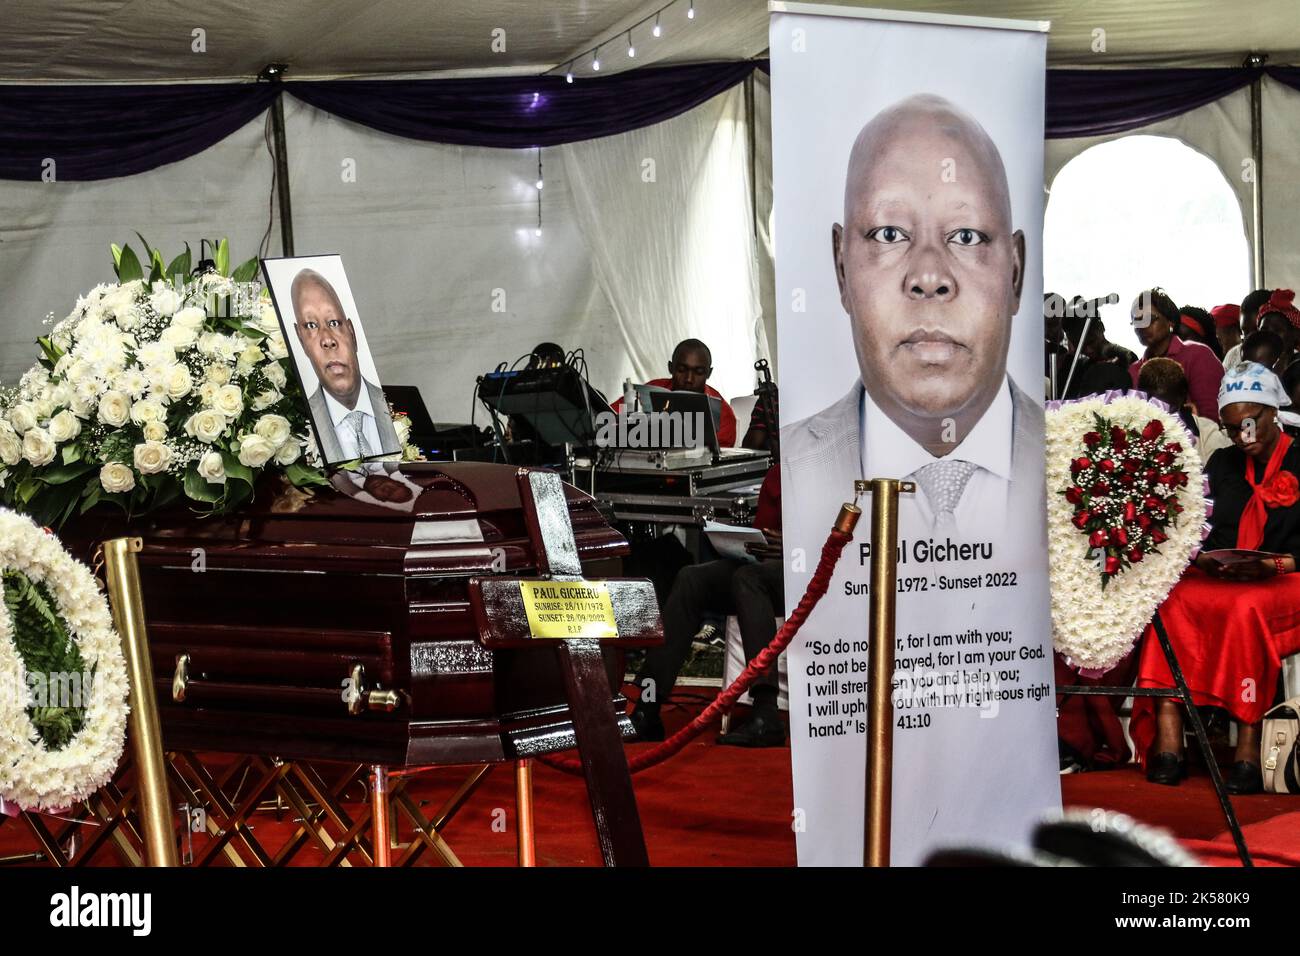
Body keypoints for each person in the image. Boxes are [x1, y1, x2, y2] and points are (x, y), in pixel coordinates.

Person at [783, 94, 1044, 534]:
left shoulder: (1085, 470)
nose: (928, 276)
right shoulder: (789, 470)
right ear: (841, 267)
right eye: (889, 233)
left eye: (966, 235)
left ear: (1015, 273)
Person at [1131, 362, 1300, 793]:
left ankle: (1247, 740)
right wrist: (1203, 558)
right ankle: (1169, 736)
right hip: (1229, 575)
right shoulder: (1223, 462)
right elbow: (1193, 526)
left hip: (1286, 574)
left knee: (1245, 608)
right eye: (1230, 427)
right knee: (1170, 600)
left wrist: (1273, 565)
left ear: (1272, 412)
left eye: (1250, 422)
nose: (1242, 436)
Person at [629, 454, 786, 746]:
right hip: (763, 568)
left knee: (747, 579)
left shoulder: (829, 468)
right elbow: (762, 537)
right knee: (691, 577)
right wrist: (741, 543)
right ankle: (647, 705)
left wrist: (793, 546)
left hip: (807, 568)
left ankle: (767, 713)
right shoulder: (777, 472)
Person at [290, 268, 400, 464]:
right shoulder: (294, 430)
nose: (327, 340)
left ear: (352, 333)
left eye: (333, 323)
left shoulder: (398, 407)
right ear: (301, 341)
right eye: (311, 326)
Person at [611, 339, 737, 447]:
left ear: (709, 373)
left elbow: (715, 464)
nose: (689, 379)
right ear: (671, 367)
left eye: (698, 372)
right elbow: (609, 415)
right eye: (682, 370)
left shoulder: (723, 415)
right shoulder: (652, 389)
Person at [1129, 287, 1224, 422]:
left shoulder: (1198, 355)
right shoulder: (1134, 370)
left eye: (1149, 319)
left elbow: (1210, 417)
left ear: (1170, 321)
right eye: (1136, 321)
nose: (1142, 327)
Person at [1137, 357, 1231, 464]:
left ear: (1183, 398)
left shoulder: (1206, 433)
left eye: (1169, 409)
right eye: (1154, 407)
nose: (1161, 416)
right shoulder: (1127, 431)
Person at [1060, 312, 1131, 399]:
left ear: (1101, 327)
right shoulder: (1077, 369)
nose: (1088, 350)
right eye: (1080, 346)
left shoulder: (1128, 358)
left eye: (1092, 341)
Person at [1256, 289, 1300, 373]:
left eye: (1278, 330)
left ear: (1295, 334)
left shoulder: (1296, 366)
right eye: (1264, 330)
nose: (1269, 335)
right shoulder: (1255, 365)